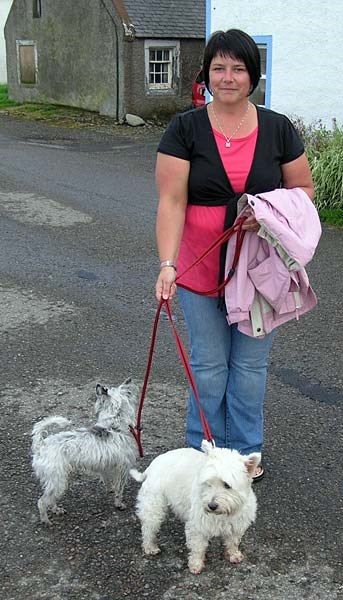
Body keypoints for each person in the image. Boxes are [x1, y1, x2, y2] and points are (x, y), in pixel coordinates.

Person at [154, 29, 315, 481]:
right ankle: (202, 453)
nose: (228, 77)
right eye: (219, 68)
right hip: (199, 267)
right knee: (207, 366)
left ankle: (245, 455)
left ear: (253, 76)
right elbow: (172, 202)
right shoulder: (184, 128)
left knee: (248, 366)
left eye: (238, 69)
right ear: (206, 74)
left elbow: (303, 191)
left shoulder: (279, 127)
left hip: (261, 269)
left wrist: (266, 214)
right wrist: (167, 264)